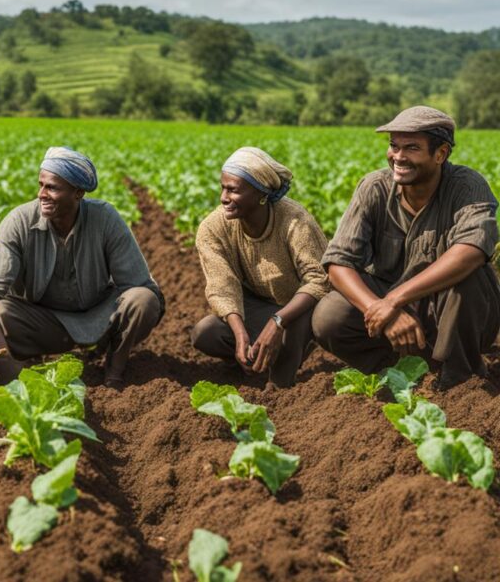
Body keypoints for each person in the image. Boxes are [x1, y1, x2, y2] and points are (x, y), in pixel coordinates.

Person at [313, 106, 500, 388]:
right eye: (394, 146)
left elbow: (471, 250)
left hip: (447, 308)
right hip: (391, 305)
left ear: (441, 154)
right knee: (330, 315)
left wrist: (394, 300)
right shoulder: (374, 187)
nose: (398, 156)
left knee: (471, 277)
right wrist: (380, 307)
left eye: (411, 148)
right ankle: (401, 371)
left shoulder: (466, 186)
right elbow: (338, 263)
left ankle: (460, 378)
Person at [0, 147, 163, 387]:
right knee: (3, 313)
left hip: (98, 314)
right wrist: (1, 356)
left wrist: (125, 320)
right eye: (41, 185)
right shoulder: (19, 222)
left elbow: (140, 284)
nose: (42, 194)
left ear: (78, 193)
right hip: (44, 320)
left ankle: (115, 366)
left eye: (52, 187)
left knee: (144, 299)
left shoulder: (104, 218)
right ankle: (31, 363)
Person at [190, 147, 330, 388]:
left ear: (261, 194)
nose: (224, 197)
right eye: (223, 188)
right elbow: (222, 287)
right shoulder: (213, 229)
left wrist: (278, 321)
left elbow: (318, 279)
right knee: (206, 332)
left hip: (300, 309)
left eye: (233, 190)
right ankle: (249, 364)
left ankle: (280, 387)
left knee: (296, 323)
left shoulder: (294, 220)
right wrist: (240, 334)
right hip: (257, 306)